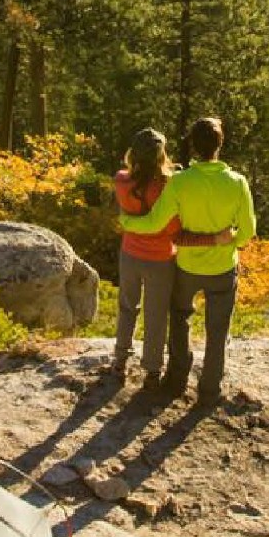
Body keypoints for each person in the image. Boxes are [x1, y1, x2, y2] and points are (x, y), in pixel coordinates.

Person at [157, 114, 256, 403]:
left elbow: (160, 220)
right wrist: (228, 242)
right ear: (220, 144)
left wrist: (130, 222)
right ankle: (209, 390)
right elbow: (248, 232)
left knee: (179, 318)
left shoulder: (179, 182)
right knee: (218, 330)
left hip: (187, 265)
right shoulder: (237, 182)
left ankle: (176, 380)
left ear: (193, 145)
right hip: (223, 267)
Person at [108, 128, 191, 391]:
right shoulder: (165, 187)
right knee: (156, 315)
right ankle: (152, 371)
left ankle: (120, 361)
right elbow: (173, 227)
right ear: (160, 155)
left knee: (127, 307)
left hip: (130, 254)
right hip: (161, 258)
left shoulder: (121, 180)